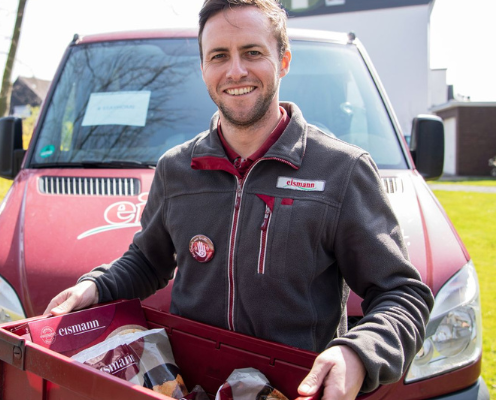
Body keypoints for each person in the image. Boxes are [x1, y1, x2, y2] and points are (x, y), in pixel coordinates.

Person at [42, 1, 433, 399]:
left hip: (295, 391)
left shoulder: (341, 171)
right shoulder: (176, 169)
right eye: (219, 56)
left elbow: (402, 294)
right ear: (204, 70)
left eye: (252, 52)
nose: (236, 71)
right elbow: (148, 260)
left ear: (283, 61)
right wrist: (96, 287)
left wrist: (359, 353)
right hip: (192, 387)